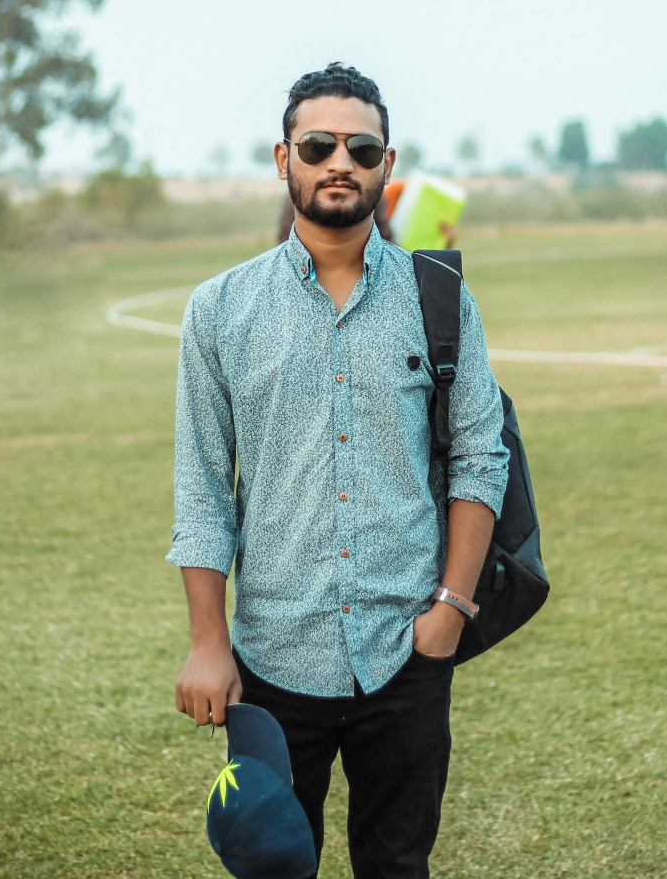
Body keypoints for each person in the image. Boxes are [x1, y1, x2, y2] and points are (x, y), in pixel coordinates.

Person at [168, 62, 509, 878]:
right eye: (317, 144)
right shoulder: (219, 309)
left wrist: (450, 613)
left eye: (362, 148)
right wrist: (210, 643)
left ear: (387, 167)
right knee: (276, 864)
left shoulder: (439, 297)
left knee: (398, 866)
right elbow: (202, 484)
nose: (339, 162)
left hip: (407, 649)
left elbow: (478, 456)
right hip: (272, 661)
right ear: (282, 159)